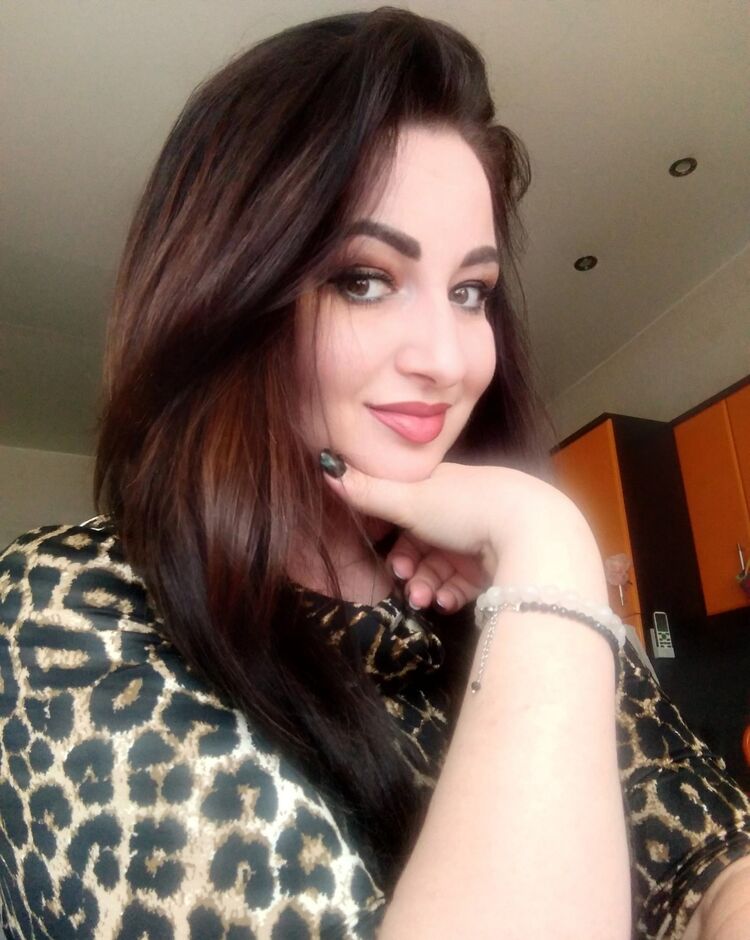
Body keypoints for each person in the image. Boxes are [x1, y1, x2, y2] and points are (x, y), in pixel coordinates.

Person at [1, 8, 749, 939]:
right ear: (226, 294)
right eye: (363, 278)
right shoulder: (64, 615)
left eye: (470, 292)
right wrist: (552, 541)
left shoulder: (499, 598)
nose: (448, 358)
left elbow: (718, 857)